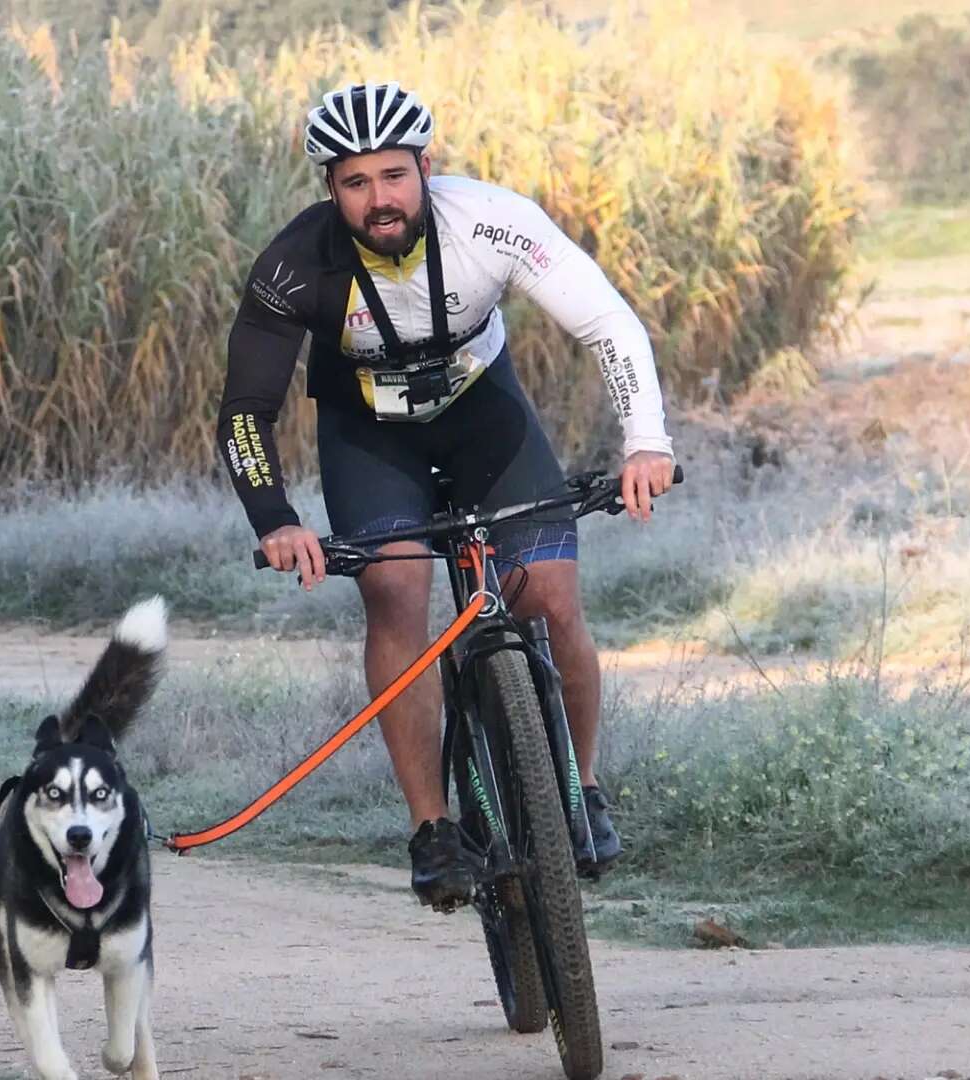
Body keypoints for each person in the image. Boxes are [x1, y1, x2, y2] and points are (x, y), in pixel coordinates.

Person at [215, 81, 676, 909]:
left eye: (394, 176)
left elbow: (608, 323)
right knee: (395, 592)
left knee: (551, 598)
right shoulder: (295, 266)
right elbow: (247, 411)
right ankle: (433, 829)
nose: (379, 200)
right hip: (369, 436)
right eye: (356, 183)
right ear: (331, 190)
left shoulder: (492, 222)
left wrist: (648, 442)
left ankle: (583, 787)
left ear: (428, 168)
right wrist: (278, 520)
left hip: (484, 420)